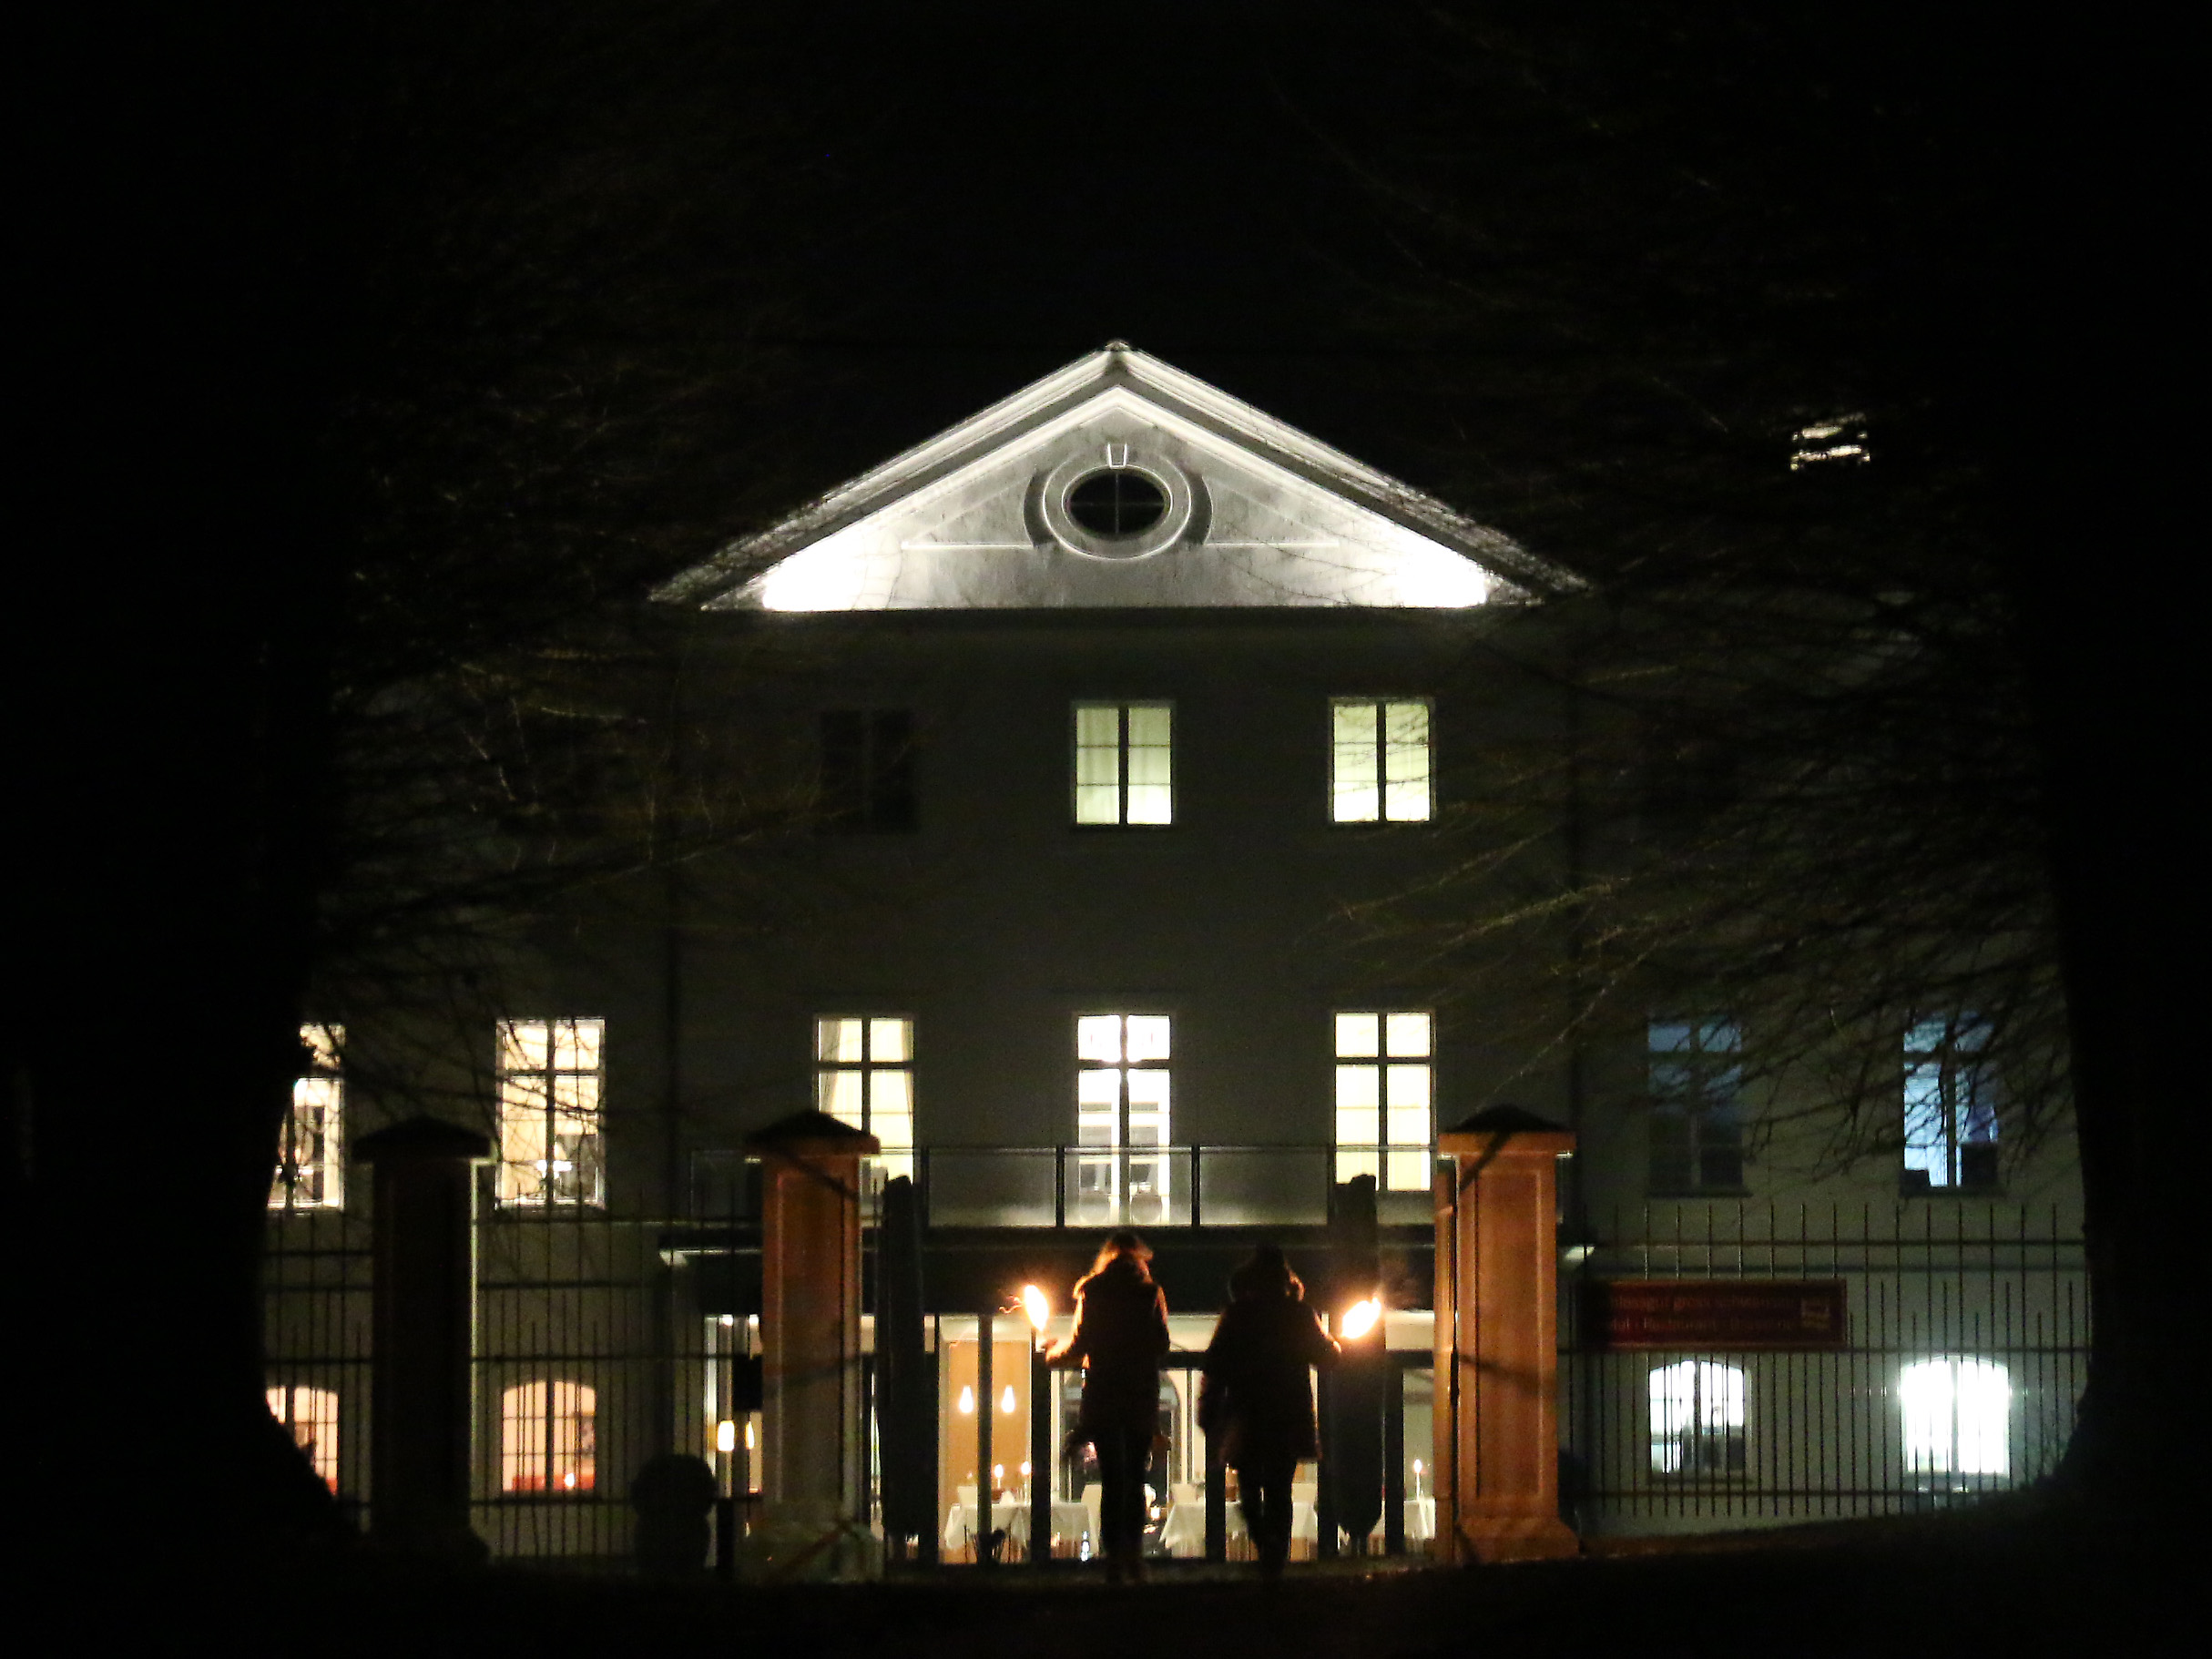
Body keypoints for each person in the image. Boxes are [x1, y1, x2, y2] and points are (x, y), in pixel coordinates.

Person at [1198, 1244, 1340, 1579]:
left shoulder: (1238, 1314)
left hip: (1247, 1411)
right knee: (1280, 1489)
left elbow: (1215, 1364)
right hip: (1288, 1412)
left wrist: (1210, 1410)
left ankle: (1265, 1544)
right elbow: (1327, 1356)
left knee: (1248, 1487)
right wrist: (1336, 1343)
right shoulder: (1299, 1314)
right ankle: (1277, 1555)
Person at [1045, 1229, 1169, 1583]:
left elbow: (1079, 1343)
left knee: (1113, 1479)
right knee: (1134, 1478)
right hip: (1140, 1396)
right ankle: (1135, 1557)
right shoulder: (1149, 1293)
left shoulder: (1092, 1290)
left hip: (1103, 1393)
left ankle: (1114, 1558)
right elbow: (1160, 1343)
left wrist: (1052, 1355)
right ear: (1138, 1259)